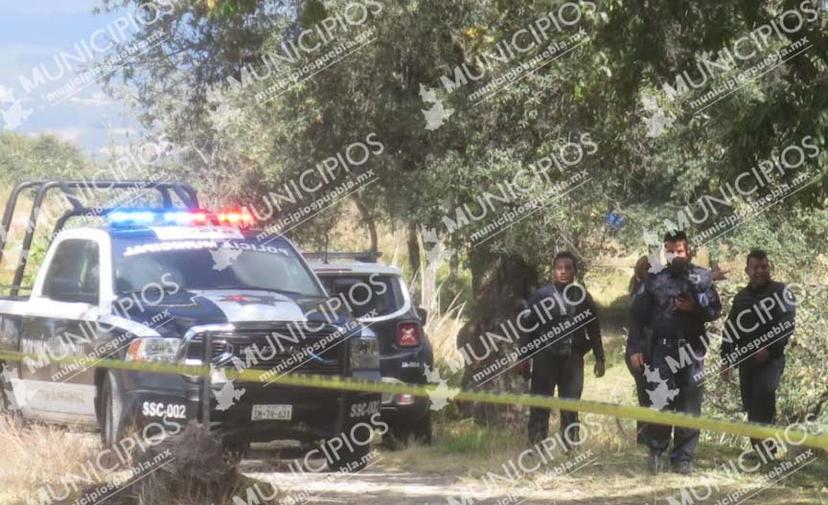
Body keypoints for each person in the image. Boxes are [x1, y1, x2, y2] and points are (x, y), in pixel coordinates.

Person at [628, 231, 722, 475]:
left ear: (688, 251)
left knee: (689, 405)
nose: (675, 255)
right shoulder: (654, 278)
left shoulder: (702, 277)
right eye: (670, 251)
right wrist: (636, 347)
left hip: (692, 349)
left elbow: (714, 310)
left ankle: (683, 458)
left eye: (679, 251)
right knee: (660, 399)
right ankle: (656, 451)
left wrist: (694, 307)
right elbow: (637, 316)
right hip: (663, 348)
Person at [518, 251, 605, 449]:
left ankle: (570, 449)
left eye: (568, 268)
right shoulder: (541, 296)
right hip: (544, 358)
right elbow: (525, 327)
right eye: (559, 268)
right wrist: (522, 357)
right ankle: (536, 448)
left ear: (575, 271)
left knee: (570, 406)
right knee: (540, 405)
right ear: (553, 271)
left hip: (572, 360)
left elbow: (594, 328)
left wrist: (600, 357)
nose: (563, 272)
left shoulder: (583, 297)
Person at [720, 249, 795, 457]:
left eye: (764, 266)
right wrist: (726, 360)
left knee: (764, 396)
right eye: (755, 267)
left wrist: (770, 348)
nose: (760, 271)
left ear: (769, 267)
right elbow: (730, 330)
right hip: (747, 361)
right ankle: (762, 452)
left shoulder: (782, 292)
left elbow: (787, 324)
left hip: (772, 360)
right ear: (747, 270)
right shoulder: (741, 298)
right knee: (752, 405)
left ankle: (768, 451)